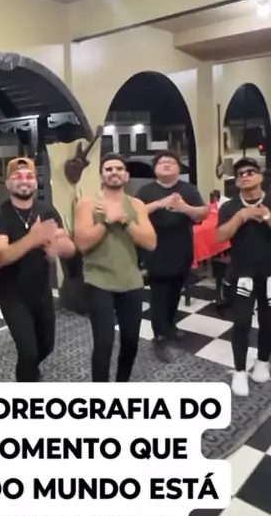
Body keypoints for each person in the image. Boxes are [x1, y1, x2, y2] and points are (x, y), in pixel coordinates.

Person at [0, 158, 75, 382]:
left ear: (36, 182)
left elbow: (69, 246)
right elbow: (0, 258)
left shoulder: (47, 211)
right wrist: (33, 238)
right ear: (8, 184)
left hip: (42, 293)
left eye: (29, 176)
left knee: (46, 346)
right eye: (17, 177)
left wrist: (58, 248)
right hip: (13, 296)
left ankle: (30, 371)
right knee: (28, 351)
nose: (24, 180)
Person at [74, 154, 156, 382]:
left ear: (126, 175)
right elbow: (82, 243)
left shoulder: (136, 205)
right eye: (108, 169)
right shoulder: (87, 203)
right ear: (101, 176)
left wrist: (124, 220)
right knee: (104, 342)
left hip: (130, 279)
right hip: (98, 278)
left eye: (119, 168)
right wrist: (107, 221)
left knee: (130, 341)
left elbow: (151, 242)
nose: (114, 172)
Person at [137, 152, 207, 352]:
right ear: (155, 169)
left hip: (182, 249)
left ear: (179, 168)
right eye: (162, 162)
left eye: (171, 162)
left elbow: (203, 213)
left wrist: (184, 208)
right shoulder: (146, 190)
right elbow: (134, 213)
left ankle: (170, 326)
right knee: (159, 294)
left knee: (176, 291)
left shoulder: (188, 189)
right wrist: (159, 204)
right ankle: (159, 333)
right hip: (154, 250)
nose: (166, 164)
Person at [217, 157, 271, 397]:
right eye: (240, 174)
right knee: (241, 322)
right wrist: (241, 216)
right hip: (241, 273)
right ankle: (239, 370)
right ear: (237, 181)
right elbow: (220, 237)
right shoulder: (229, 207)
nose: (245, 176)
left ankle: (263, 361)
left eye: (250, 172)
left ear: (260, 176)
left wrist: (267, 217)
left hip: (269, 272)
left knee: (269, 320)